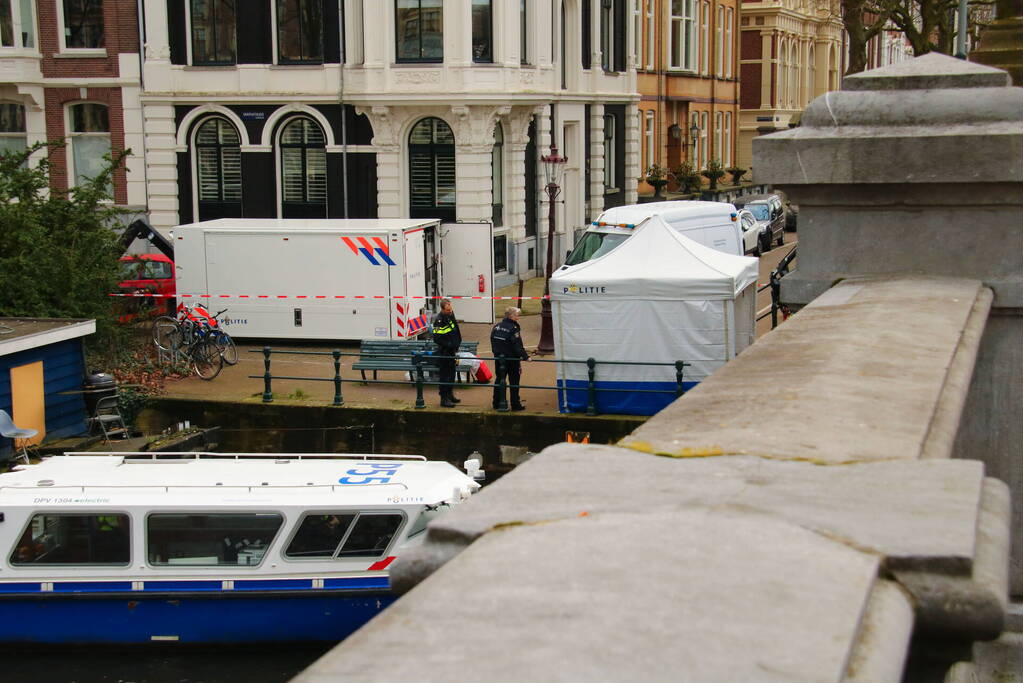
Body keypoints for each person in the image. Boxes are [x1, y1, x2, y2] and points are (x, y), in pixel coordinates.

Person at [490, 306, 530, 411]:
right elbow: (517, 346)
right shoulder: (513, 328)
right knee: (514, 382)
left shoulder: (496, 326)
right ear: (511, 316)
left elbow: (492, 341)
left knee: (499, 380)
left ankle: (496, 403)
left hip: (499, 359)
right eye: (517, 316)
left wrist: (497, 354)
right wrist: (526, 357)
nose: (518, 318)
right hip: (512, 360)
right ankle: (515, 405)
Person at [432, 298, 462, 408]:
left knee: (452, 374)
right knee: (445, 376)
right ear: (442, 309)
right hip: (445, 352)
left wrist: (457, 344)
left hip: (452, 351)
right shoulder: (439, 320)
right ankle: (444, 399)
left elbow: (456, 330)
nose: (450, 312)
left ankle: (450, 395)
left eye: (451, 309)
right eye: (448, 310)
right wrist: (450, 345)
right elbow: (437, 339)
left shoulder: (450, 316)